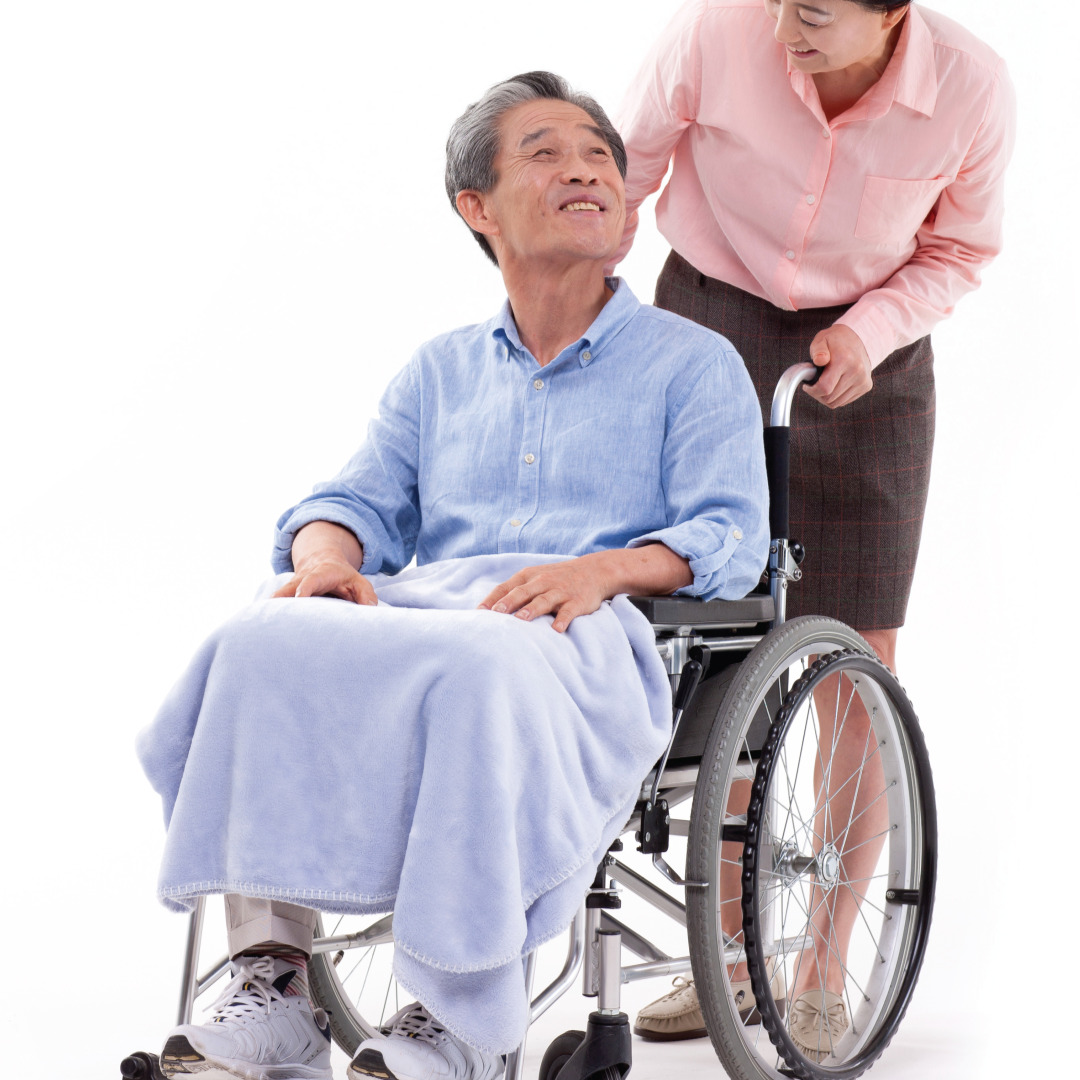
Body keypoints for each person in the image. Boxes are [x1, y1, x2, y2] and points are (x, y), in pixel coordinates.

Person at [138, 71, 769, 1080]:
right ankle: (276, 983)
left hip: (596, 635)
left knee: (482, 663)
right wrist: (327, 563)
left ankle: (461, 1018)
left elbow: (730, 534)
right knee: (264, 633)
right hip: (444, 616)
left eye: (599, 156)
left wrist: (600, 571)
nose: (586, 172)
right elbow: (348, 500)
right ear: (478, 207)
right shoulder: (440, 372)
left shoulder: (691, 364)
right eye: (547, 153)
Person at [616, 0, 1014, 1058]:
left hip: (869, 358)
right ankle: (727, 956)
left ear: (894, 15)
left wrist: (868, 331)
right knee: (722, 640)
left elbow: (960, 249)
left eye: (816, 13)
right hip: (706, 325)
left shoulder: (972, 88)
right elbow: (622, 178)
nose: (785, 25)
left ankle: (822, 968)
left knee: (854, 654)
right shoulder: (715, 31)